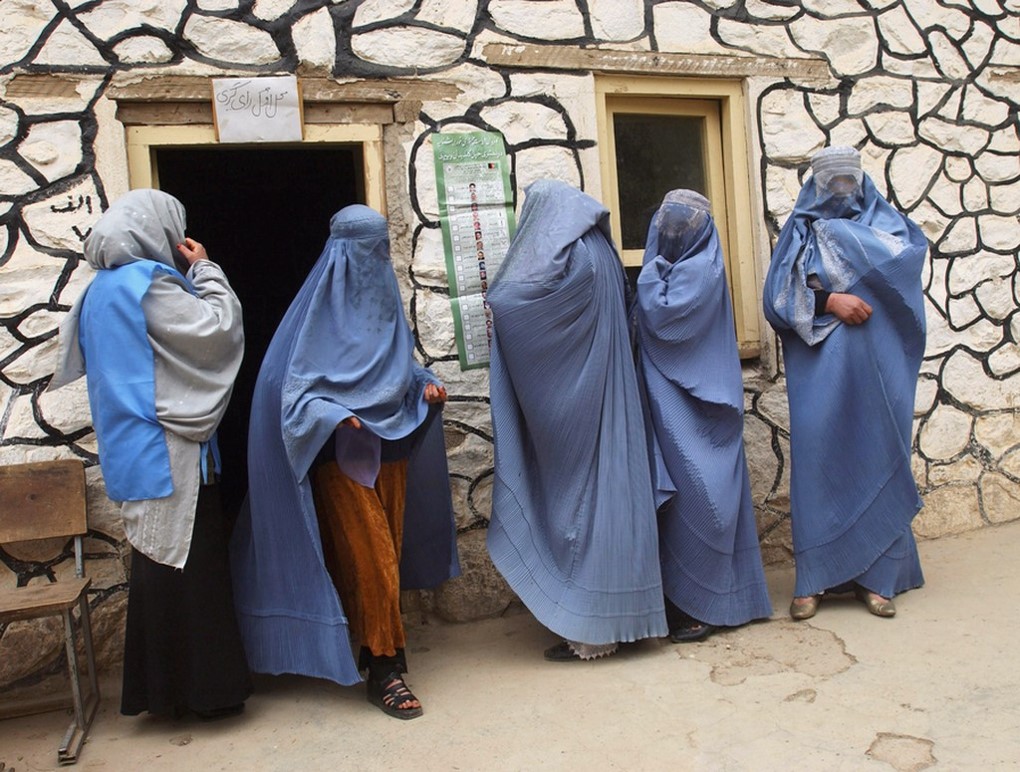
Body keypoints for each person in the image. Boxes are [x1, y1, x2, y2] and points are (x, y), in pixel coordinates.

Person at [229, 204, 458, 720]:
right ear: (340, 252)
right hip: (341, 456)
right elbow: (289, 390)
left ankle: (381, 646)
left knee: (386, 558)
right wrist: (331, 413)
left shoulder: (384, 302)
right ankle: (383, 670)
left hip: (392, 445)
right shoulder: (316, 317)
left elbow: (397, 368)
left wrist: (424, 384)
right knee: (373, 558)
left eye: (381, 246)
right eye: (365, 248)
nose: (374, 258)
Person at [50, 189, 251, 718]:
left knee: (158, 571)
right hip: (171, 449)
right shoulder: (149, 284)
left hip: (130, 449)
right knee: (193, 566)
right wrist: (207, 270)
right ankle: (207, 694)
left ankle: (158, 692)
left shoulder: (95, 293)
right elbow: (214, 331)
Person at [486, 179, 668, 661]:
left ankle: (593, 631)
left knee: (584, 509)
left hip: (583, 405)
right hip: (616, 393)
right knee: (618, 498)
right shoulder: (600, 250)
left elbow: (511, 300)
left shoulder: (571, 261)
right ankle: (629, 617)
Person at [763, 146, 927, 620]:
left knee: (877, 453)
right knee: (819, 463)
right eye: (829, 183)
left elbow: (905, 274)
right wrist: (830, 301)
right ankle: (814, 581)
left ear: (860, 180)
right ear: (814, 183)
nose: (839, 192)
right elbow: (777, 299)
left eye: (847, 182)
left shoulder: (889, 228)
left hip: (878, 365)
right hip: (819, 370)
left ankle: (879, 580)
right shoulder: (799, 231)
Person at [631, 190, 773, 642]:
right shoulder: (669, 269)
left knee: (709, 502)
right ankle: (686, 601)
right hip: (665, 404)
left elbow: (665, 317)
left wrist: (648, 273)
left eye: (685, 225)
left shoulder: (702, 272)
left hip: (706, 409)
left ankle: (713, 604)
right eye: (667, 225)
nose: (674, 234)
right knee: (675, 506)